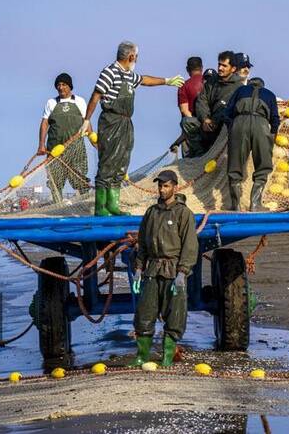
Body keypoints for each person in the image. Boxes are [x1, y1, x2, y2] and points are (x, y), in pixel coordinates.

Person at [81, 41, 185, 216]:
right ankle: (101, 207)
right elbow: (96, 95)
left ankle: (113, 205)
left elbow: (144, 80)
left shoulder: (129, 75)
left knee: (121, 163)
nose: (136, 59)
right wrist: (86, 119)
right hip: (111, 121)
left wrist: (166, 81)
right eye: (136, 56)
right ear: (131, 56)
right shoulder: (109, 72)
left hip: (126, 122)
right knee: (108, 163)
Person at [130, 169, 199, 367]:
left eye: (166, 185)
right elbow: (142, 243)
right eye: (160, 186)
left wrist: (182, 273)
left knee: (174, 314)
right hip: (152, 269)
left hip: (173, 270)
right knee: (144, 312)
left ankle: (167, 357)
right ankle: (142, 356)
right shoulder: (151, 213)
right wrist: (138, 269)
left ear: (175, 187)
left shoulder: (184, 214)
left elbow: (190, 245)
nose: (162, 189)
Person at [224, 77, 280, 211]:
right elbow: (275, 119)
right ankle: (255, 204)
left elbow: (226, 113)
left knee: (235, 165)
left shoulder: (240, 90)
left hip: (239, 123)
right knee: (263, 165)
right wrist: (271, 137)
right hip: (261, 125)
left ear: (249, 84)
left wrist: (232, 126)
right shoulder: (269, 94)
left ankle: (235, 205)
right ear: (263, 85)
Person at [35, 73, 91, 202]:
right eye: (58, 85)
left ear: (70, 86)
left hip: (76, 148)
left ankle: (85, 202)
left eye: (64, 85)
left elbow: (86, 122)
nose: (61, 87)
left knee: (79, 176)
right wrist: (41, 145)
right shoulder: (51, 102)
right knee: (55, 180)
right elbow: (44, 123)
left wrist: (94, 141)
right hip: (54, 149)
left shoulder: (80, 101)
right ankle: (57, 205)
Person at [194, 51, 244, 149]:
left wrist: (216, 121)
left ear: (233, 69)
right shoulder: (211, 81)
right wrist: (205, 119)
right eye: (219, 64)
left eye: (224, 66)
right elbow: (202, 101)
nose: (220, 68)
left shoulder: (239, 88)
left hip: (223, 127)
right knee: (188, 122)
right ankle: (198, 154)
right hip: (207, 123)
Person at [168, 57, 206, 157]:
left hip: (191, 137)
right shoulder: (210, 82)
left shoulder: (184, 86)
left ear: (187, 69)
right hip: (211, 131)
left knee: (189, 165)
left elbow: (185, 111)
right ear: (202, 68)